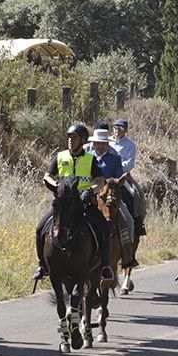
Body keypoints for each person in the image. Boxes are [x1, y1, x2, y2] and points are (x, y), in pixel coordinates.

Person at [33, 125, 113, 282]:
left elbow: (100, 181)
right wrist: (57, 186)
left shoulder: (91, 160)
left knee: (104, 229)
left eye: (74, 137)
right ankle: (42, 265)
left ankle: (104, 266)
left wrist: (90, 190)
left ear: (83, 141)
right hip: (63, 205)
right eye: (69, 137)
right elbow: (47, 176)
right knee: (40, 228)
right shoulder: (60, 157)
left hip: (84, 204)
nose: (70, 140)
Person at [89, 128, 137, 269]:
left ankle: (128, 256)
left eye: (102, 144)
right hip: (90, 196)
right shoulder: (87, 157)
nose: (99, 146)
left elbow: (118, 178)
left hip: (109, 196)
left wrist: (107, 183)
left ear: (107, 145)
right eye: (97, 143)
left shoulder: (115, 159)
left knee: (128, 219)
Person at [110, 119, 146, 237]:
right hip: (105, 175)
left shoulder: (130, 145)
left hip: (122, 175)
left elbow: (130, 163)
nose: (117, 131)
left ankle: (138, 222)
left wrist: (117, 167)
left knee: (135, 193)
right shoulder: (107, 141)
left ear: (125, 130)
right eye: (115, 128)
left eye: (120, 129)